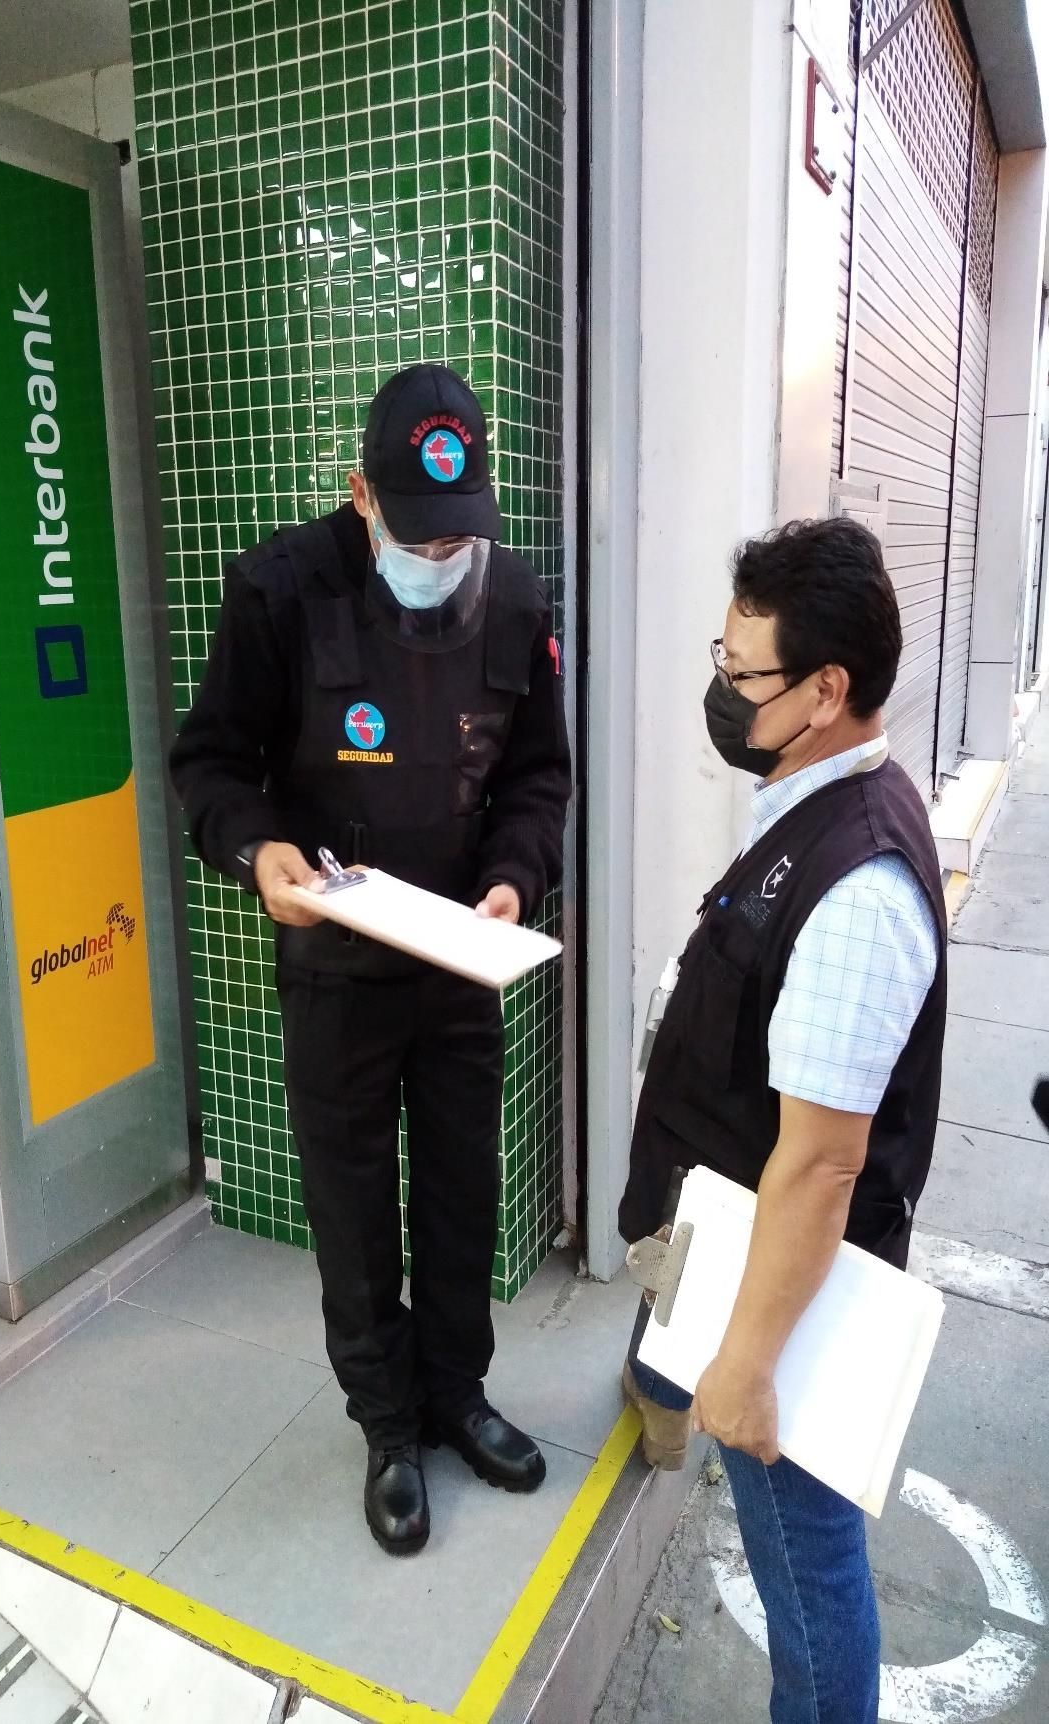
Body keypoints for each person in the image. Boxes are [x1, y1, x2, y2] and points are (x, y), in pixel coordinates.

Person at [171, 364, 571, 1556]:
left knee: (460, 1191)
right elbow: (209, 763)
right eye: (417, 534)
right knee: (354, 1211)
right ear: (358, 492)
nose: (441, 557)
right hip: (336, 963)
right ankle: (388, 1427)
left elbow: (537, 780)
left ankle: (457, 1394)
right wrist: (256, 854)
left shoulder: (514, 601)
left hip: (458, 955)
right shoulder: (280, 589)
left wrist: (517, 875)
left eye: (461, 536)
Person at [620, 517, 946, 1723]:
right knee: (796, 1555)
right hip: (748, 1257)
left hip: (795, 1297)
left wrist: (746, 1361)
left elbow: (819, 1161)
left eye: (740, 672)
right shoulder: (811, 806)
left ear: (826, 690)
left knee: (805, 1573)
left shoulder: (856, 884)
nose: (721, 688)